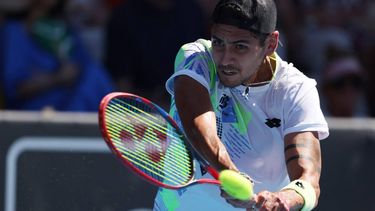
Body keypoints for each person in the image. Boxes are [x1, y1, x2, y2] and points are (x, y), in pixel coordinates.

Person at [153, 0, 329, 210]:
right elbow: (197, 124)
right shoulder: (197, 58)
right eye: (218, 42)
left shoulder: (296, 91)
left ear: (271, 44)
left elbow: (308, 181)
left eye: (240, 47)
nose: (226, 59)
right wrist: (231, 174)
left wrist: (284, 199)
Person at [1, 0, 114, 111]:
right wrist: (57, 78)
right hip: (37, 111)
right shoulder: (15, 32)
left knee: (93, 75)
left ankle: (119, 121)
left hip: (73, 102)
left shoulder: (64, 30)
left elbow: (84, 66)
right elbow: (16, 89)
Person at [105, 0, 207, 110]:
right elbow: (122, 82)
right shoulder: (123, 16)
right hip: (140, 111)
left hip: (187, 106)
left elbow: (202, 72)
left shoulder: (193, 12)